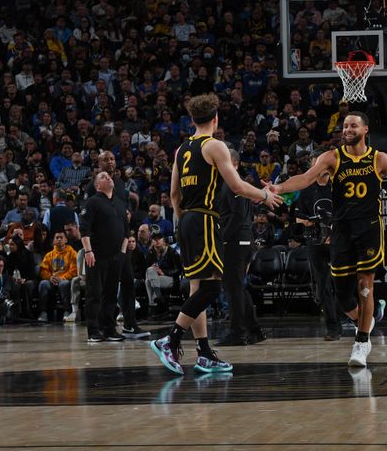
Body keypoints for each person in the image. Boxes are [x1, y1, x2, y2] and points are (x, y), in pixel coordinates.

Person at [264, 111, 387, 367]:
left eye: (353, 125)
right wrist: (279, 187)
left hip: (369, 228)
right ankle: (367, 318)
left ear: (365, 130)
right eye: (345, 126)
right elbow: (306, 179)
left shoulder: (380, 159)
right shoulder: (331, 157)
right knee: (343, 296)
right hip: (341, 229)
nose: (347, 129)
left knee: (365, 284)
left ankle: (362, 342)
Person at [150, 93, 282, 376]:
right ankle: (170, 339)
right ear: (215, 119)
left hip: (184, 220)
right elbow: (236, 186)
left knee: (197, 287)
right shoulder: (215, 146)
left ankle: (204, 352)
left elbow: (173, 194)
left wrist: (183, 221)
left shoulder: (182, 149)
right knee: (211, 288)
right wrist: (264, 195)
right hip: (206, 219)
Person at [87, 151, 148, 339]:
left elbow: (122, 207)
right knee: (103, 289)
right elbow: (92, 216)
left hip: (121, 243)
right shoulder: (94, 187)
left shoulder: (119, 183)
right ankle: (102, 328)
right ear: (98, 164)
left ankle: (130, 324)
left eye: (112, 158)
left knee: (128, 282)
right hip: (103, 246)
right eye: (105, 160)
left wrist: (126, 216)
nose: (110, 162)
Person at [216, 148, 267, 346]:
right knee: (236, 287)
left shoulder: (233, 183)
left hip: (238, 241)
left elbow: (237, 216)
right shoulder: (231, 184)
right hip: (240, 240)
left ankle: (237, 332)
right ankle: (255, 330)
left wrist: (222, 237)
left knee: (233, 288)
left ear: (234, 163)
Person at [295, 149, 341, 340]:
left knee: (344, 283)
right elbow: (298, 217)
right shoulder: (306, 190)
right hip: (315, 242)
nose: (318, 168)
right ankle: (333, 327)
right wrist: (309, 222)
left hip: (338, 241)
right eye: (315, 165)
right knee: (322, 286)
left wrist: (333, 231)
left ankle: (356, 317)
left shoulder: (338, 186)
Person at [80, 172, 129, 342]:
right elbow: (84, 228)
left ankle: (109, 328)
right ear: (97, 185)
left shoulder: (120, 203)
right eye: (102, 176)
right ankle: (93, 331)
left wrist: (122, 253)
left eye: (108, 176)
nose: (107, 177)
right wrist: (88, 251)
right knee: (94, 293)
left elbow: (126, 230)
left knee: (110, 294)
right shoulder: (92, 202)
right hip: (96, 255)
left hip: (116, 256)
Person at [37, 229, 78, 322]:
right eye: (57, 238)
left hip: (65, 280)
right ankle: (43, 312)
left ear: (66, 240)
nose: (59, 240)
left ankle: (67, 311)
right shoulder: (49, 255)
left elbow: (74, 270)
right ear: (54, 240)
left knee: (64, 284)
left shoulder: (72, 253)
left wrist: (62, 278)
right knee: (43, 283)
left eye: (61, 237)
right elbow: (43, 270)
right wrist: (50, 277)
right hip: (52, 280)